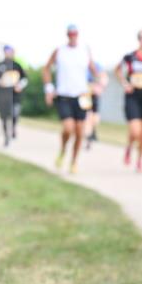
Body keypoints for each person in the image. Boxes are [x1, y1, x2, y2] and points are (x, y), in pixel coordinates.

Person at [42, 24, 99, 174]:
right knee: (68, 128)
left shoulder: (85, 50)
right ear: (67, 35)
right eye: (70, 34)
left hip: (81, 96)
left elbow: (94, 71)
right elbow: (46, 69)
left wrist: (97, 83)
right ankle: (62, 150)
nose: (72, 36)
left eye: (75, 34)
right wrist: (48, 89)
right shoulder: (59, 51)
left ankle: (74, 162)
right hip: (64, 95)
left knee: (80, 132)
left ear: (78, 35)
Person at [115, 30, 142, 172]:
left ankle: (140, 160)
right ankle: (129, 146)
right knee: (135, 130)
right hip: (132, 94)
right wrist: (124, 83)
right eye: (141, 37)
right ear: (138, 39)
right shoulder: (130, 57)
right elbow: (118, 70)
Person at [0, 45, 28, 147]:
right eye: (6, 51)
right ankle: (6, 137)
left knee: (15, 114)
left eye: (10, 51)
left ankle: (13, 128)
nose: (8, 53)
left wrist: (19, 86)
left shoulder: (17, 65)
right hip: (3, 96)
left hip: (15, 96)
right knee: (4, 117)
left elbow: (24, 79)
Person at [85, 61, 109, 149]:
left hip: (94, 95)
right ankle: (88, 138)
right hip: (84, 95)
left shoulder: (97, 66)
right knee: (88, 116)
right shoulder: (81, 65)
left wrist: (100, 87)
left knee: (95, 118)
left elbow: (104, 78)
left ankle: (92, 131)